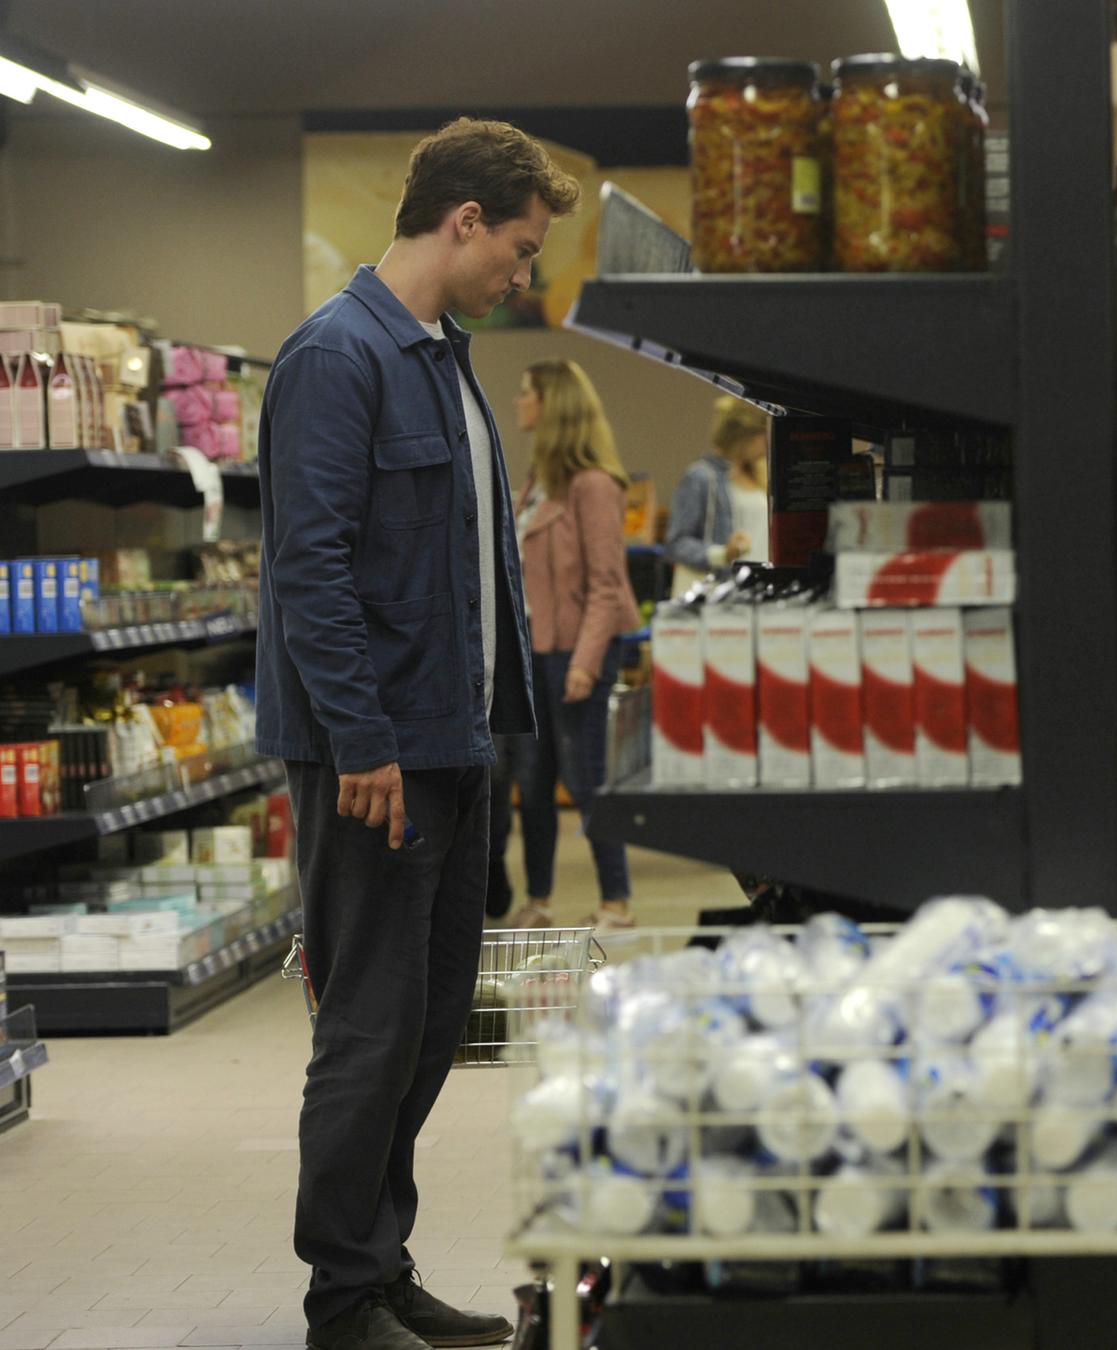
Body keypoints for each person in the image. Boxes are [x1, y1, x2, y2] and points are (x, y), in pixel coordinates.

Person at [256, 119, 576, 1350]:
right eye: (521, 249)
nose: (523, 276)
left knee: (436, 1023)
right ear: (462, 223)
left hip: (456, 746)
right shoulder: (336, 359)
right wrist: (364, 743)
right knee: (370, 1028)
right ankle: (343, 1297)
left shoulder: (443, 357)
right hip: (377, 761)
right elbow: (311, 571)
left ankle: (380, 1263)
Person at [502, 359, 641, 930]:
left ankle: (617, 903)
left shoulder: (594, 485)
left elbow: (607, 587)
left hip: (579, 654)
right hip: (534, 654)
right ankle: (539, 902)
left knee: (586, 780)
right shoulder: (538, 482)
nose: (518, 401)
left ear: (552, 404)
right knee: (532, 786)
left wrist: (584, 665)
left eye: (526, 392)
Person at [664, 395, 770, 594]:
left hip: (757, 590)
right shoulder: (701, 477)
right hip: (720, 591)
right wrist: (722, 554)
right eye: (763, 435)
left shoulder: (760, 476)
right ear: (747, 435)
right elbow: (676, 542)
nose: (767, 443)